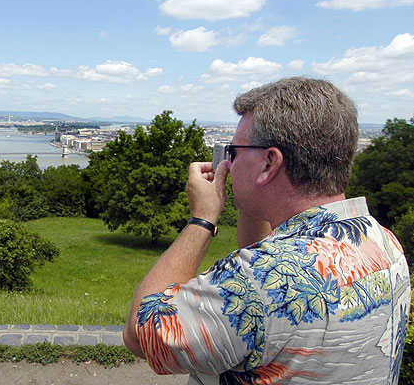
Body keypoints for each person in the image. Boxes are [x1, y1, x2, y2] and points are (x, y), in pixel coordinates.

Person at [123, 77, 411, 384]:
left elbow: (140, 334)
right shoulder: (381, 240)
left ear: (269, 163)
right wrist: (246, 197)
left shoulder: (255, 282)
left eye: (233, 152)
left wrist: (202, 220)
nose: (228, 164)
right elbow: (267, 255)